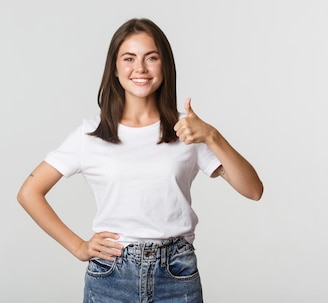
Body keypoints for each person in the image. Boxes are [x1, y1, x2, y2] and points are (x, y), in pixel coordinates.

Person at [17, 18, 263, 302]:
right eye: (129, 58)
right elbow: (29, 192)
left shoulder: (187, 130)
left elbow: (253, 190)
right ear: (115, 68)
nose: (141, 69)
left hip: (176, 273)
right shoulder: (90, 134)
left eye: (151, 58)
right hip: (111, 276)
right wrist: (78, 247)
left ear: (164, 65)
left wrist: (212, 136)